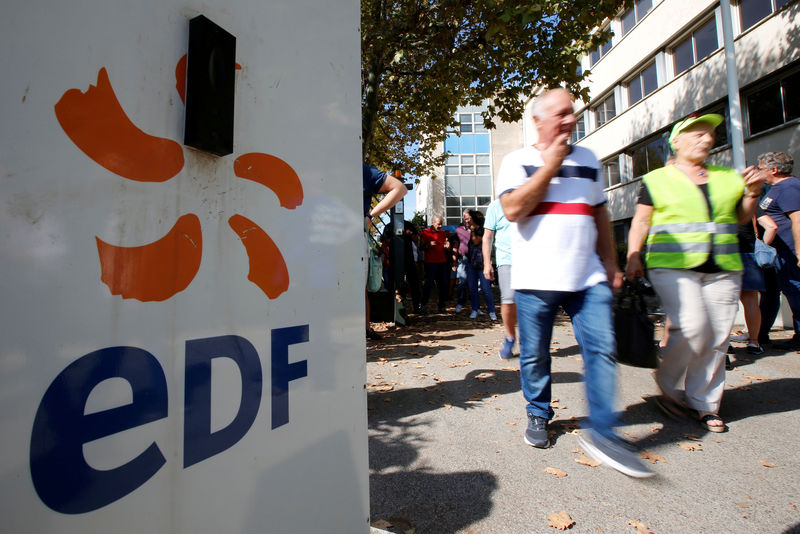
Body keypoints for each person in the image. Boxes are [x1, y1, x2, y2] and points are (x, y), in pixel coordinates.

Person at [498, 88, 652, 478]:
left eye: (572, 113)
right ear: (538, 121)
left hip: (588, 277)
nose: (569, 120)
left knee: (601, 350)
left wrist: (612, 264)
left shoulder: (588, 160)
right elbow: (514, 210)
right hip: (536, 279)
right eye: (560, 114)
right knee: (535, 355)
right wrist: (549, 166)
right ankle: (537, 412)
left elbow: (599, 214)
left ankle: (603, 430)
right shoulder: (517, 161)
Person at [625, 113, 764, 434]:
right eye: (697, 133)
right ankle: (669, 382)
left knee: (717, 335)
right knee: (690, 324)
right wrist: (634, 255)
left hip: (723, 267)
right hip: (672, 265)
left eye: (709, 134)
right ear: (676, 140)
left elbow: (742, 218)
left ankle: (704, 403)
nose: (706, 138)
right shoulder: (657, 179)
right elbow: (642, 222)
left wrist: (752, 193)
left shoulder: (728, 178)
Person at [757, 152, 800, 350]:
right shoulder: (776, 188)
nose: (759, 171)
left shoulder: (789, 187)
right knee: (772, 291)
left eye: (761, 168)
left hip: (789, 253)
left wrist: (799, 252)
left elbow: (798, 220)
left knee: (795, 291)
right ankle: (759, 333)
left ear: (774, 170)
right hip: (778, 254)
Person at [363, 164, 406, 340]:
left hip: (353, 236)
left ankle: (364, 329)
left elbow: (400, 188)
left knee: (358, 288)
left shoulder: (361, 170)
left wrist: (370, 216)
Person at [483, 198, 517, 358]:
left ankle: (530, 339)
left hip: (532, 257)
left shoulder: (532, 198)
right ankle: (510, 337)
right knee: (509, 298)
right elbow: (487, 236)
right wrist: (487, 263)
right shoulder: (496, 206)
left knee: (531, 301)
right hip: (506, 259)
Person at [465, 210, 496, 320]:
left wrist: (472, 231)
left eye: (469, 219)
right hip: (472, 263)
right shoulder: (471, 230)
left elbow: (476, 241)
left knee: (486, 288)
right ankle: (475, 309)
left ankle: (491, 311)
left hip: (482, 263)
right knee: (473, 288)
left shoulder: (482, 230)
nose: (467, 221)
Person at [420, 215, 451, 313]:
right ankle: (424, 305)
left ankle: (442, 306)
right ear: (433, 223)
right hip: (430, 263)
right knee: (428, 284)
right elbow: (421, 247)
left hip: (442, 262)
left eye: (442, 224)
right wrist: (428, 245)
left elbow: (447, 246)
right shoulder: (425, 232)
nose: (441, 226)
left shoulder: (442, 233)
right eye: (439, 224)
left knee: (443, 284)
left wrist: (447, 246)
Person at [455, 210, 473, 312]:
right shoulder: (459, 230)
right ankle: (460, 303)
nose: (468, 221)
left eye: (469, 219)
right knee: (462, 282)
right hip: (463, 258)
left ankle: (476, 306)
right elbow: (456, 244)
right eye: (466, 219)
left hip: (475, 259)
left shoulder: (477, 229)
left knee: (475, 284)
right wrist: (454, 260)